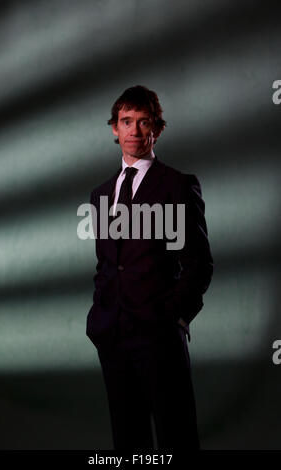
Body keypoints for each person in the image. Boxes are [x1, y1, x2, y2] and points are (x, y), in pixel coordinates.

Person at [86, 85, 214, 451]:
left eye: (144, 123)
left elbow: (199, 263)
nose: (135, 131)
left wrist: (175, 317)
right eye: (127, 121)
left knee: (177, 438)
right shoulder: (100, 195)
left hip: (159, 336)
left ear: (157, 129)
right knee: (128, 442)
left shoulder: (177, 185)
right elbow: (109, 263)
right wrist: (99, 315)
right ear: (114, 127)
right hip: (112, 335)